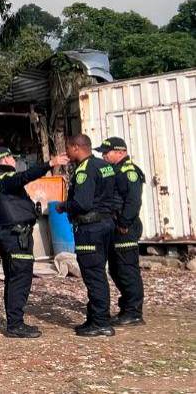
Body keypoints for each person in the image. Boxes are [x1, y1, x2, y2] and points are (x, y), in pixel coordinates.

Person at [0, 147, 70, 338]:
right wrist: (50, 163)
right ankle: (15, 325)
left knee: (12, 278)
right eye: (11, 158)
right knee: (20, 279)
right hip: (16, 237)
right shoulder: (5, 179)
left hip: (7, 234)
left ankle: (13, 322)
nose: (14, 161)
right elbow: (25, 176)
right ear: (5, 160)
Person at [55, 135, 122, 337]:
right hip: (106, 225)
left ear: (77, 147)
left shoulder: (85, 169)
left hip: (90, 228)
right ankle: (95, 318)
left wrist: (63, 206)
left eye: (69, 148)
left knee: (94, 275)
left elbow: (82, 203)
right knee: (98, 272)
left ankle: (100, 322)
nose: (67, 153)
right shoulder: (105, 166)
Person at [98, 137, 146, 327]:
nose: (103, 155)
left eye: (106, 152)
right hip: (116, 225)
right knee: (116, 269)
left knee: (127, 270)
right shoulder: (114, 171)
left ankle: (134, 312)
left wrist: (124, 222)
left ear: (120, 152)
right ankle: (127, 308)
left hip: (125, 227)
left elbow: (133, 201)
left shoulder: (129, 171)